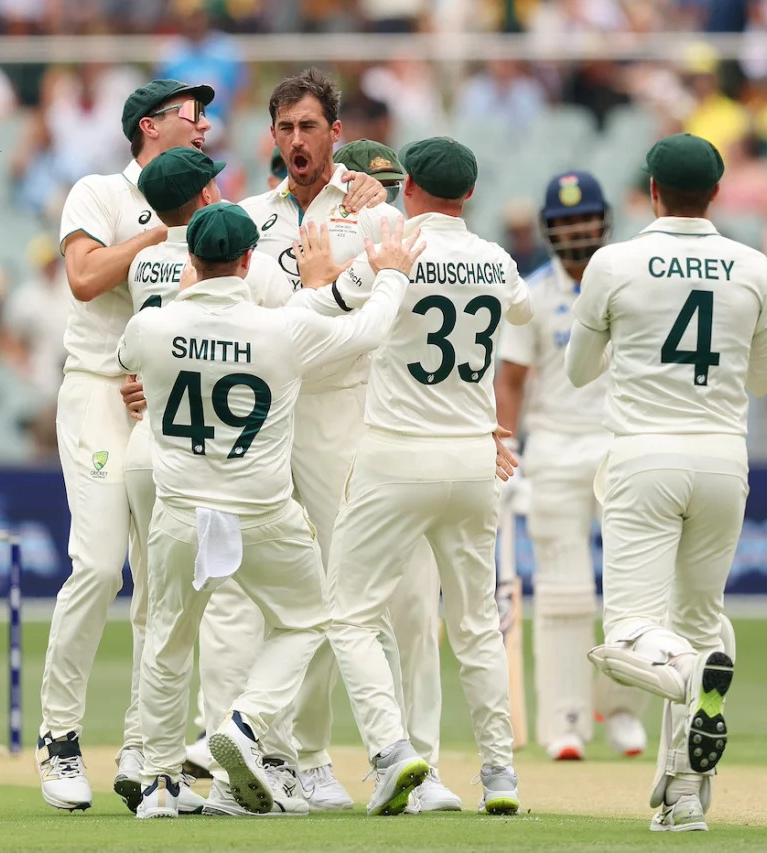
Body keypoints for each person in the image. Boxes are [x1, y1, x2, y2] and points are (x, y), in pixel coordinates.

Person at [117, 202, 421, 818]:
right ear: (249, 260)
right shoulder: (279, 328)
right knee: (308, 619)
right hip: (261, 512)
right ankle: (247, 723)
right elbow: (366, 333)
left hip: (179, 511)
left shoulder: (153, 325)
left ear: (192, 262)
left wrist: (177, 303)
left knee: (168, 643)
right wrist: (389, 274)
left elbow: (128, 361)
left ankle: (156, 783)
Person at [564, 133, 767, 832]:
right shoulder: (755, 268)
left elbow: (577, 371)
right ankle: (685, 799)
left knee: (632, 631)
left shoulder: (614, 261)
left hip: (645, 457)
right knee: (697, 620)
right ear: (715, 193)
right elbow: (762, 379)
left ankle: (691, 672)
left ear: (651, 191)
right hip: (724, 459)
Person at [195, 67, 393, 812]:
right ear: (270, 134)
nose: (297, 141)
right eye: (285, 129)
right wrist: (319, 310)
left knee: (341, 592)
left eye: (310, 127)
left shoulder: (372, 213)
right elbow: (238, 324)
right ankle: (261, 757)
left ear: (336, 133)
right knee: (247, 595)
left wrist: (310, 318)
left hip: (340, 419)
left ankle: (318, 760)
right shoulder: (250, 218)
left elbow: (366, 334)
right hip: (266, 425)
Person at [316, 137, 530, 815]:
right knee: (472, 625)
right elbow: (522, 311)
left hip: (397, 452)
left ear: (408, 186)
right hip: (472, 457)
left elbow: (333, 303)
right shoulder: (496, 259)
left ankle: (392, 752)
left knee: (347, 613)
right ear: (468, 196)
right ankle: (499, 775)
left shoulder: (398, 246)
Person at [39, 77, 215, 814]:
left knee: (165, 581)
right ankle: (59, 737)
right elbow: (82, 279)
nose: (203, 126)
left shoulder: (209, 204)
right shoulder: (99, 192)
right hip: (96, 394)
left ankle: (149, 750)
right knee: (99, 562)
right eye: (190, 114)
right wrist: (150, 235)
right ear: (150, 126)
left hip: (166, 406)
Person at [119, 146, 290, 816]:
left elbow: (127, 353)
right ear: (205, 194)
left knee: (156, 618)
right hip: (216, 458)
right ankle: (226, 744)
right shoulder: (233, 262)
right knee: (224, 611)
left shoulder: (139, 259)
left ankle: (149, 766)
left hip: (151, 442)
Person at [494, 170, 649, 762]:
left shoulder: (630, 283)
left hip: (621, 446)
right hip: (555, 448)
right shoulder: (530, 295)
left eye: (584, 219)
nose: (577, 231)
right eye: (564, 224)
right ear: (550, 232)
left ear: (604, 220)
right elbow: (510, 381)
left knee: (633, 594)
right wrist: (510, 454)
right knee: (564, 593)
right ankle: (565, 720)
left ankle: (624, 711)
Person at [326, 136, 459, 812]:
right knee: (340, 616)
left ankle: (421, 763)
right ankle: (325, 757)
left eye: (390, 185)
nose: (379, 194)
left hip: (395, 448)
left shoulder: (415, 245)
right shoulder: (331, 232)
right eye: (369, 182)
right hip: (336, 445)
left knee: (412, 614)